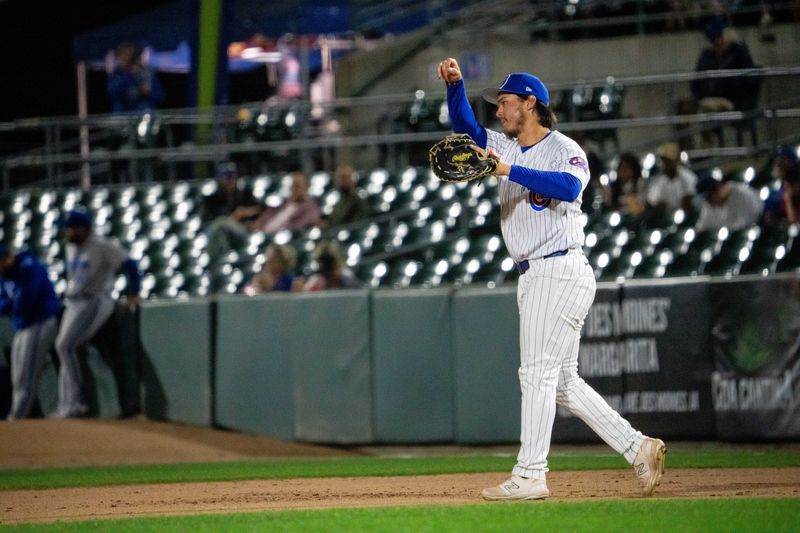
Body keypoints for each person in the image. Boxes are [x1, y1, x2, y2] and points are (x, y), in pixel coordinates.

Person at [437, 57, 665, 501]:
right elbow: (467, 130)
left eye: (504, 103)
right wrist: (455, 87)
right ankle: (639, 447)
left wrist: (507, 171)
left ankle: (530, 474)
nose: (498, 112)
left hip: (558, 266)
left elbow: (569, 188)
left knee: (536, 374)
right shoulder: (502, 146)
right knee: (562, 384)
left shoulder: (565, 147)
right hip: (536, 273)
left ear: (530, 103)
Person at [53, 209, 141, 419]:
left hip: (94, 300)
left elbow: (131, 265)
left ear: (84, 229)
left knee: (65, 346)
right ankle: (68, 403)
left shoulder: (102, 245)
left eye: (71, 228)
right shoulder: (71, 247)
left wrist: (133, 293)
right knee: (65, 348)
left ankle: (75, 403)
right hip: (74, 302)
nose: (67, 232)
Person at [0, 244, 61, 420]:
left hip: (39, 323)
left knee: (25, 375)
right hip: (23, 326)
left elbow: (25, 299)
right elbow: (4, 300)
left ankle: (17, 418)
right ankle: (18, 416)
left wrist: (9, 306)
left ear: (6, 258)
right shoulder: (6, 274)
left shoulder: (29, 267)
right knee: (18, 375)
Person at [690, 18, 759, 147]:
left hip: (735, 99)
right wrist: (699, 97)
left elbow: (749, 78)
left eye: (719, 38)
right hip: (711, 99)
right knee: (702, 111)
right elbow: (696, 81)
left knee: (706, 112)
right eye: (714, 41)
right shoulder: (707, 55)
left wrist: (727, 84)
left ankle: (707, 149)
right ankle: (704, 149)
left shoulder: (738, 51)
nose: (718, 43)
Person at [202, 162, 263, 261]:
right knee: (220, 229)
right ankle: (221, 261)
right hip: (223, 235)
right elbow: (207, 220)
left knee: (220, 223)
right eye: (227, 177)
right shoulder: (212, 199)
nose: (230, 180)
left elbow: (261, 208)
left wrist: (244, 212)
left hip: (243, 232)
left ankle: (214, 260)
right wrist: (234, 216)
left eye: (233, 176)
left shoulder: (245, 194)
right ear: (220, 179)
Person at [106, 43, 165, 113]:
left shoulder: (147, 74)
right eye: (120, 57)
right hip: (122, 116)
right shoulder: (118, 75)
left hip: (143, 115)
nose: (120, 60)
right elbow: (112, 94)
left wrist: (149, 92)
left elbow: (160, 97)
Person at [256, 172, 322, 234]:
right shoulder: (282, 202)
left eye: (297, 186)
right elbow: (266, 216)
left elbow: (299, 226)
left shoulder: (311, 208)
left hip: (283, 237)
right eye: (292, 186)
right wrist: (259, 224)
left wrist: (280, 229)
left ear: (306, 188)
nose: (294, 189)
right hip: (263, 233)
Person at [695, 175, 763, 233]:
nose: (709, 202)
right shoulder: (709, 206)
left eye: (709, 198)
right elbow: (700, 227)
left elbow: (752, 220)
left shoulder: (740, 193)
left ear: (718, 188)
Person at [646, 142, 698, 216]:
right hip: (667, 218)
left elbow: (691, 199)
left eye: (668, 160)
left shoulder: (688, 177)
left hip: (688, 216)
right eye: (664, 160)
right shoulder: (659, 180)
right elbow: (652, 200)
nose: (665, 164)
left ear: (677, 160)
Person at [320, 164, 371, 229]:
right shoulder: (332, 199)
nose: (342, 181)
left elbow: (360, 220)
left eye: (345, 177)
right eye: (339, 178)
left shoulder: (358, 199)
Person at [608, 152, 647, 220]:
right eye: (621, 169)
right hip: (620, 219)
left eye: (626, 169)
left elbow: (642, 201)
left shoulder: (639, 183)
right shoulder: (615, 187)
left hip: (637, 217)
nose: (623, 172)